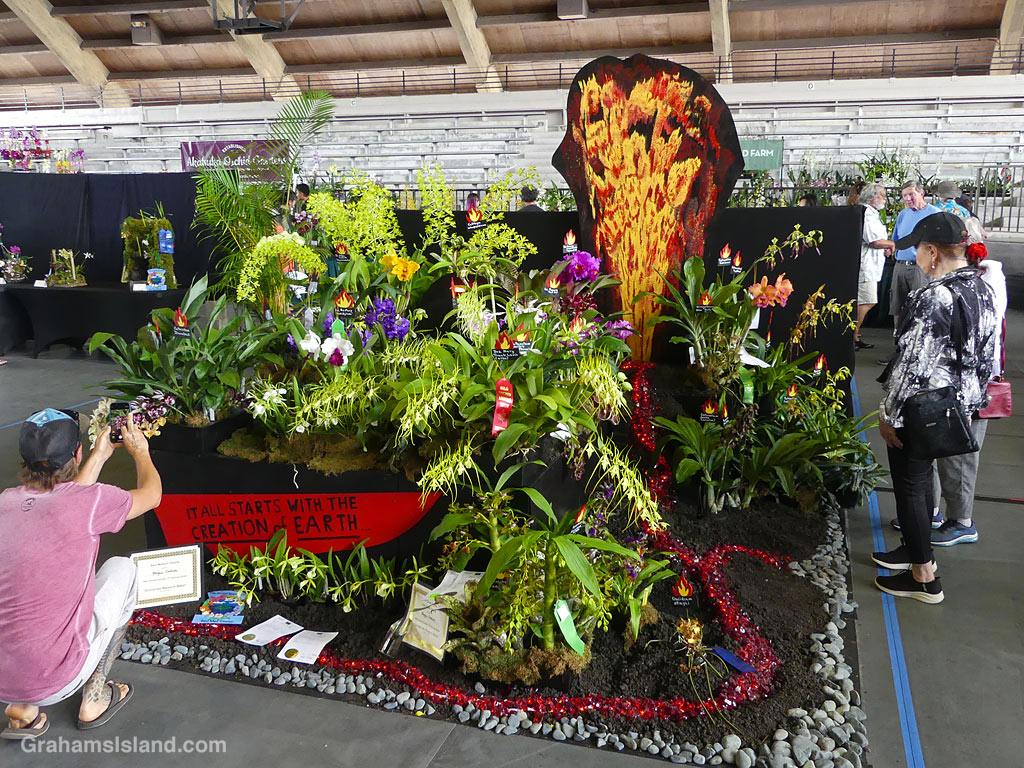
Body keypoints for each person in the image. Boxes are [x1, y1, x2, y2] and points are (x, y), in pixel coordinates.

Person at [0, 410, 162, 739]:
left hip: (4, 679)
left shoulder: (5, 503)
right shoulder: (90, 503)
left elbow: (65, 500)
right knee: (123, 569)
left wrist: (101, 454)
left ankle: (22, 706)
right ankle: (95, 698)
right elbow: (152, 494)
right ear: (77, 453)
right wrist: (141, 452)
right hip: (59, 679)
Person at [873, 212, 997, 603]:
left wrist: (889, 415)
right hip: (956, 408)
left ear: (932, 252)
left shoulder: (933, 296)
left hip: (922, 408)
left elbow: (913, 364)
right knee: (922, 480)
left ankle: (924, 577)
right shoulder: (982, 288)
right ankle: (914, 549)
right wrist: (970, 402)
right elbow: (988, 356)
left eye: (918, 250)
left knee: (911, 485)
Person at [929, 218, 1008, 546]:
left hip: (972, 387)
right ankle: (933, 509)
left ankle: (961, 520)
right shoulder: (965, 281)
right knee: (938, 451)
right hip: (954, 383)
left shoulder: (984, 283)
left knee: (960, 455)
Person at [888, 181, 940, 329]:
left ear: (922, 194)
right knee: (897, 306)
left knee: (921, 306)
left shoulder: (934, 214)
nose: (907, 198)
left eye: (911, 194)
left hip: (921, 268)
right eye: (904, 195)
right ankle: (898, 339)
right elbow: (896, 239)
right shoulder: (903, 214)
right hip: (900, 266)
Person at [855, 183, 895, 349]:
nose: (884, 199)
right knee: (867, 300)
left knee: (866, 300)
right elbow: (874, 240)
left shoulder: (872, 213)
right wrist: (891, 244)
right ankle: (852, 334)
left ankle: (855, 335)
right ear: (871, 197)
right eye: (881, 195)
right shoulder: (867, 214)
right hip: (866, 264)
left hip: (873, 263)